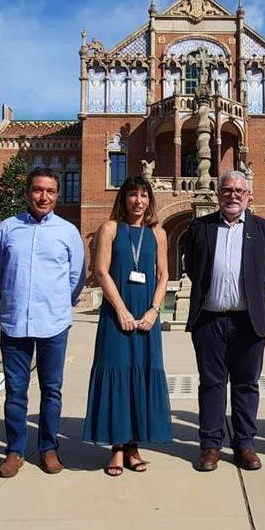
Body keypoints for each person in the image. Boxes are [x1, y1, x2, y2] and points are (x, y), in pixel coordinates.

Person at [0, 167, 85, 478]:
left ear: (57, 195)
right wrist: (15, 297)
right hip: (15, 321)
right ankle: (15, 450)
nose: (43, 197)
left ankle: (48, 448)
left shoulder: (68, 231)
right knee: (15, 390)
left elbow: (76, 277)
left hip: (53, 322)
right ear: (28, 192)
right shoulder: (7, 228)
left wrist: (59, 303)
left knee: (51, 389)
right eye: (38, 190)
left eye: (50, 191)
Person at [184, 171, 265, 472]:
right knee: (211, 385)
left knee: (246, 385)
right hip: (210, 321)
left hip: (248, 322)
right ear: (218, 194)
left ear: (248, 195)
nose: (233, 195)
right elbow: (192, 267)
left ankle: (245, 444)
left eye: (240, 190)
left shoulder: (264, 229)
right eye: (227, 190)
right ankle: (210, 445)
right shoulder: (200, 227)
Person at [82, 176, 173, 476]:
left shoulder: (158, 234)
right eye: (132, 194)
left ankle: (134, 446)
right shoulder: (110, 229)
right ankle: (117, 447)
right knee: (116, 373)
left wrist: (154, 311)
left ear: (150, 200)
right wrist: (120, 309)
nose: (138, 200)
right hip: (115, 316)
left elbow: (163, 276)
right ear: (123, 199)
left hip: (147, 317)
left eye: (144, 195)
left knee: (142, 375)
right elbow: (100, 271)